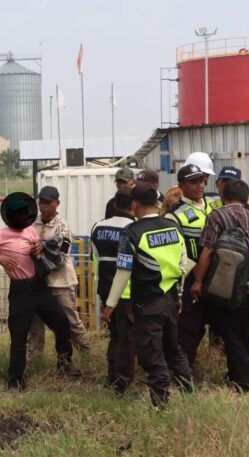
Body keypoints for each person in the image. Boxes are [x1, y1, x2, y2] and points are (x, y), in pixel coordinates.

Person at [102, 185, 193, 407]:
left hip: (148, 303)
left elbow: (123, 272)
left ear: (134, 204)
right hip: (171, 299)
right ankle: (190, 396)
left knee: (151, 355)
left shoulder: (131, 233)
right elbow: (185, 262)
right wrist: (177, 292)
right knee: (174, 350)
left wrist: (110, 304)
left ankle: (161, 407)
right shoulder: (172, 227)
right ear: (157, 203)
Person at [0, 192, 73, 391]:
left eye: (23, 214)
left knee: (62, 324)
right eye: (16, 214)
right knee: (19, 337)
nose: (20, 217)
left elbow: (40, 251)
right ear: (9, 215)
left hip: (40, 286)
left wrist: (38, 247)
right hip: (20, 291)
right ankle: (15, 381)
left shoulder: (30, 231)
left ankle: (64, 366)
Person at [190, 180, 249, 393]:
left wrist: (198, 281)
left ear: (223, 196)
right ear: (247, 199)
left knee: (231, 334)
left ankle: (246, 384)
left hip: (228, 284)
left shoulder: (217, 215)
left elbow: (207, 250)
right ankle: (236, 377)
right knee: (246, 335)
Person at [164, 164, 220, 372]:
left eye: (202, 180)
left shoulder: (216, 202)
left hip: (220, 279)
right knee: (190, 328)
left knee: (222, 326)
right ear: (181, 186)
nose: (200, 186)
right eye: (193, 182)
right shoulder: (174, 215)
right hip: (192, 280)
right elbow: (175, 252)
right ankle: (185, 373)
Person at [28, 185, 91, 355]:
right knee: (35, 323)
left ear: (57, 203)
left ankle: (88, 355)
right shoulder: (32, 223)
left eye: (48, 203)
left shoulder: (63, 227)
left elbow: (61, 257)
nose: (44, 207)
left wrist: (41, 251)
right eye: (41, 202)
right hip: (37, 282)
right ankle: (35, 358)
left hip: (60, 282)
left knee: (70, 321)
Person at [92, 188, 136, 393]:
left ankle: (112, 375)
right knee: (127, 337)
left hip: (104, 287)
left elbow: (94, 259)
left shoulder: (97, 227)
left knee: (115, 335)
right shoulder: (135, 228)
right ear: (133, 204)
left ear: (115, 204)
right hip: (127, 291)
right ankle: (122, 382)